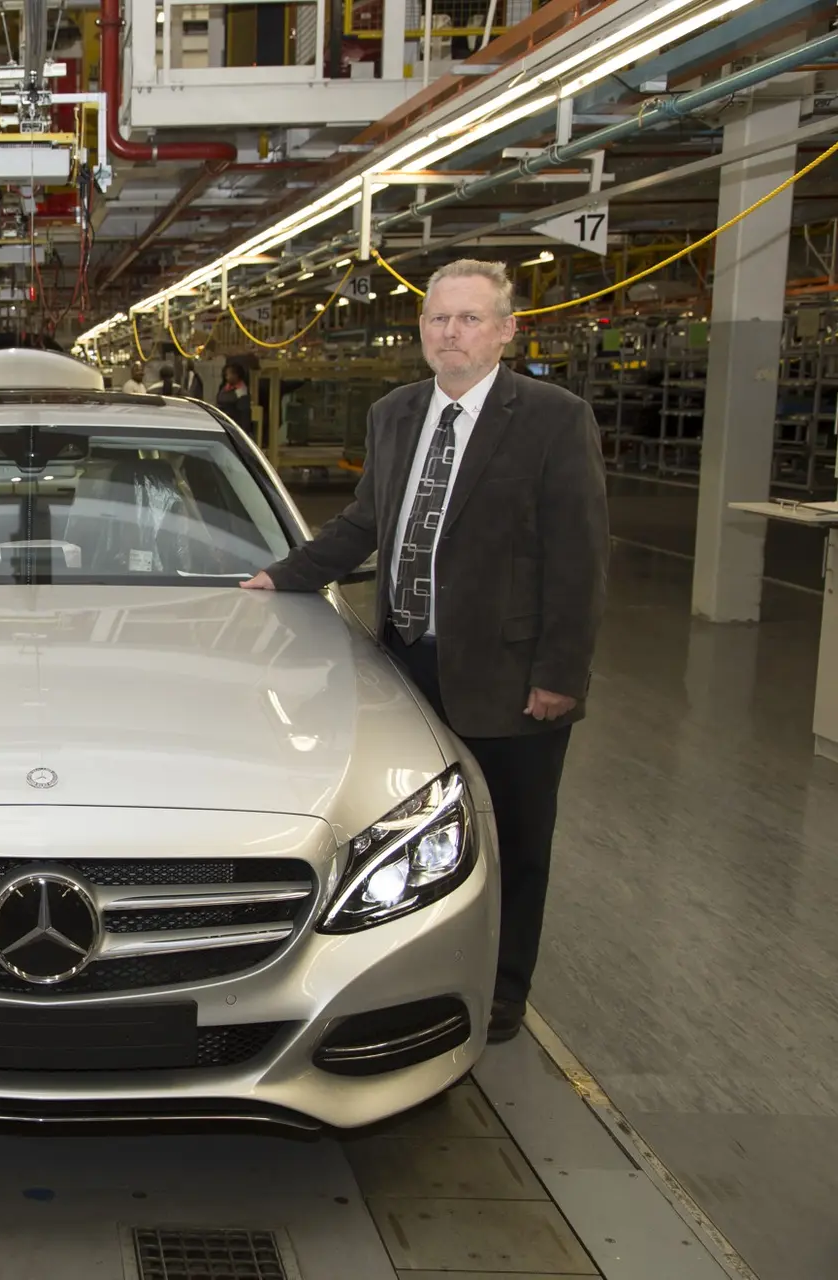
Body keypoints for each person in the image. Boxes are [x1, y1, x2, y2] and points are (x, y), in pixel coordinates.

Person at [241, 258, 607, 1044]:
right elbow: (363, 524)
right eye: (439, 319)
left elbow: (580, 557)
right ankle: (415, 972)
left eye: (470, 319)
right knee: (410, 835)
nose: (451, 333)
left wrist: (559, 675)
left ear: (506, 331)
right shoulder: (396, 413)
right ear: (421, 330)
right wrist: (280, 578)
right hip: (406, 665)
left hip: (511, 674)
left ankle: (504, 992)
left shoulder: (553, 418)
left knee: (514, 840)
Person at [215, 361, 254, 430]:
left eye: (228, 374)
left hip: (234, 424)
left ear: (236, 375)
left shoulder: (242, 390)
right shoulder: (225, 387)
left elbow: (244, 414)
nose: (226, 377)